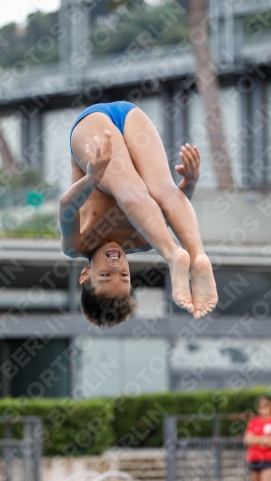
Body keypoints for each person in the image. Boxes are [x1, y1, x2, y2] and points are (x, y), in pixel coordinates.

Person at [59, 101, 218, 327]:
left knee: (129, 190)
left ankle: (174, 255)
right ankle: (197, 255)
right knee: (164, 189)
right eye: (124, 276)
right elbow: (169, 207)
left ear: (85, 275)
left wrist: (92, 178)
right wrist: (190, 182)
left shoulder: (77, 245)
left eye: (105, 276)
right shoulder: (144, 240)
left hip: (91, 125)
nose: (116, 267)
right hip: (131, 116)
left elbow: (66, 206)